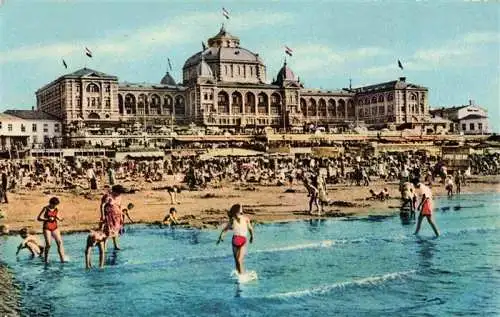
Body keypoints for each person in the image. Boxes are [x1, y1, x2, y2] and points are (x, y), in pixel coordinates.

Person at [216, 204, 254, 275]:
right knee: (236, 261)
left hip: (243, 240)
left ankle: (242, 277)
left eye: (239, 212)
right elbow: (225, 230)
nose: (238, 215)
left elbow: (250, 229)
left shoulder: (246, 219)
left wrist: (252, 237)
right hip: (235, 240)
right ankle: (240, 276)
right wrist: (220, 237)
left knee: (239, 260)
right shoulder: (232, 220)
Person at [36, 197, 66, 263]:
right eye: (54, 204)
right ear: (51, 203)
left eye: (56, 205)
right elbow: (38, 218)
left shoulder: (56, 209)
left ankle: (62, 259)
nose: (55, 206)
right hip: (47, 227)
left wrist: (60, 219)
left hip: (55, 226)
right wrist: (47, 219)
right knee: (48, 244)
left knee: (59, 242)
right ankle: (46, 260)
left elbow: (57, 216)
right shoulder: (45, 208)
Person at [102, 185, 126, 250]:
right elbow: (102, 205)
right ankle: (104, 247)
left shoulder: (119, 197)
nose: (120, 194)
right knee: (107, 232)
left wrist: (121, 216)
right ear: (115, 191)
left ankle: (116, 246)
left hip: (117, 217)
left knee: (116, 231)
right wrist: (103, 215)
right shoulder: (108, 196)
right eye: (119, 192)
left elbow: (120, 206)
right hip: (109, 217)